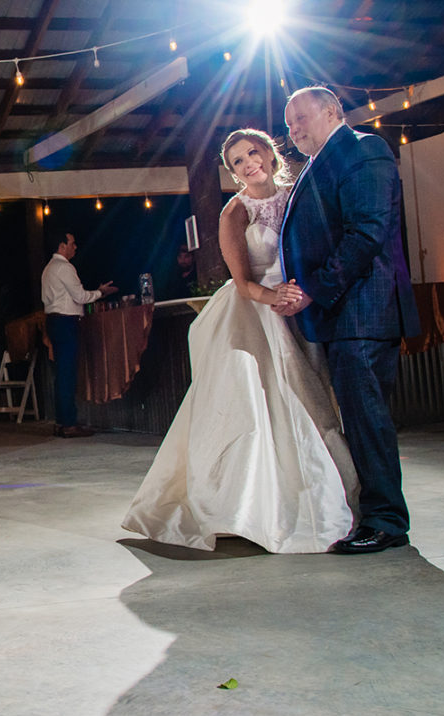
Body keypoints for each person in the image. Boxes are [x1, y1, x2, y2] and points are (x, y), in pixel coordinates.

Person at [121, 128, 359, 553]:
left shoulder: (299, 193)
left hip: (306, 305)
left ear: (268, 154)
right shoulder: (234, 212)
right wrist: (278, 297)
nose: (248, 163)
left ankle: (336, 494)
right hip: (257, 310)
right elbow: (242, 281)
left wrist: (305, 292)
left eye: (252, 153)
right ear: (232, 173)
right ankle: (249, 506)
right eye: (237, 162)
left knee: (314, 402)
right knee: (263, 403)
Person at [275, 87, 420, 554]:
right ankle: (374, 513)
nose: (293, 128)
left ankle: (386, 521)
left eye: (301, 117)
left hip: (364, 310)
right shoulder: (314, 166)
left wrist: (313, 289)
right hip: (342, 315)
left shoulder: (363, 149)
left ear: (333, 110)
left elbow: (366, 232)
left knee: (367, 418)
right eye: (289, 123)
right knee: (359, 418)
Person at [40, 232, 116, 438]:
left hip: (53, 321)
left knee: (61, 373)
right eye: (72, 243)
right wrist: (101, 293)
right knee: (67, 373)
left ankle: (62, 421)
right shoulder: (64, 267)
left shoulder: (47, 269)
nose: (75, 247)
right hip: (65, 322)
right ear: (62, 246)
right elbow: (80, 296)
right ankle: (69, 423)